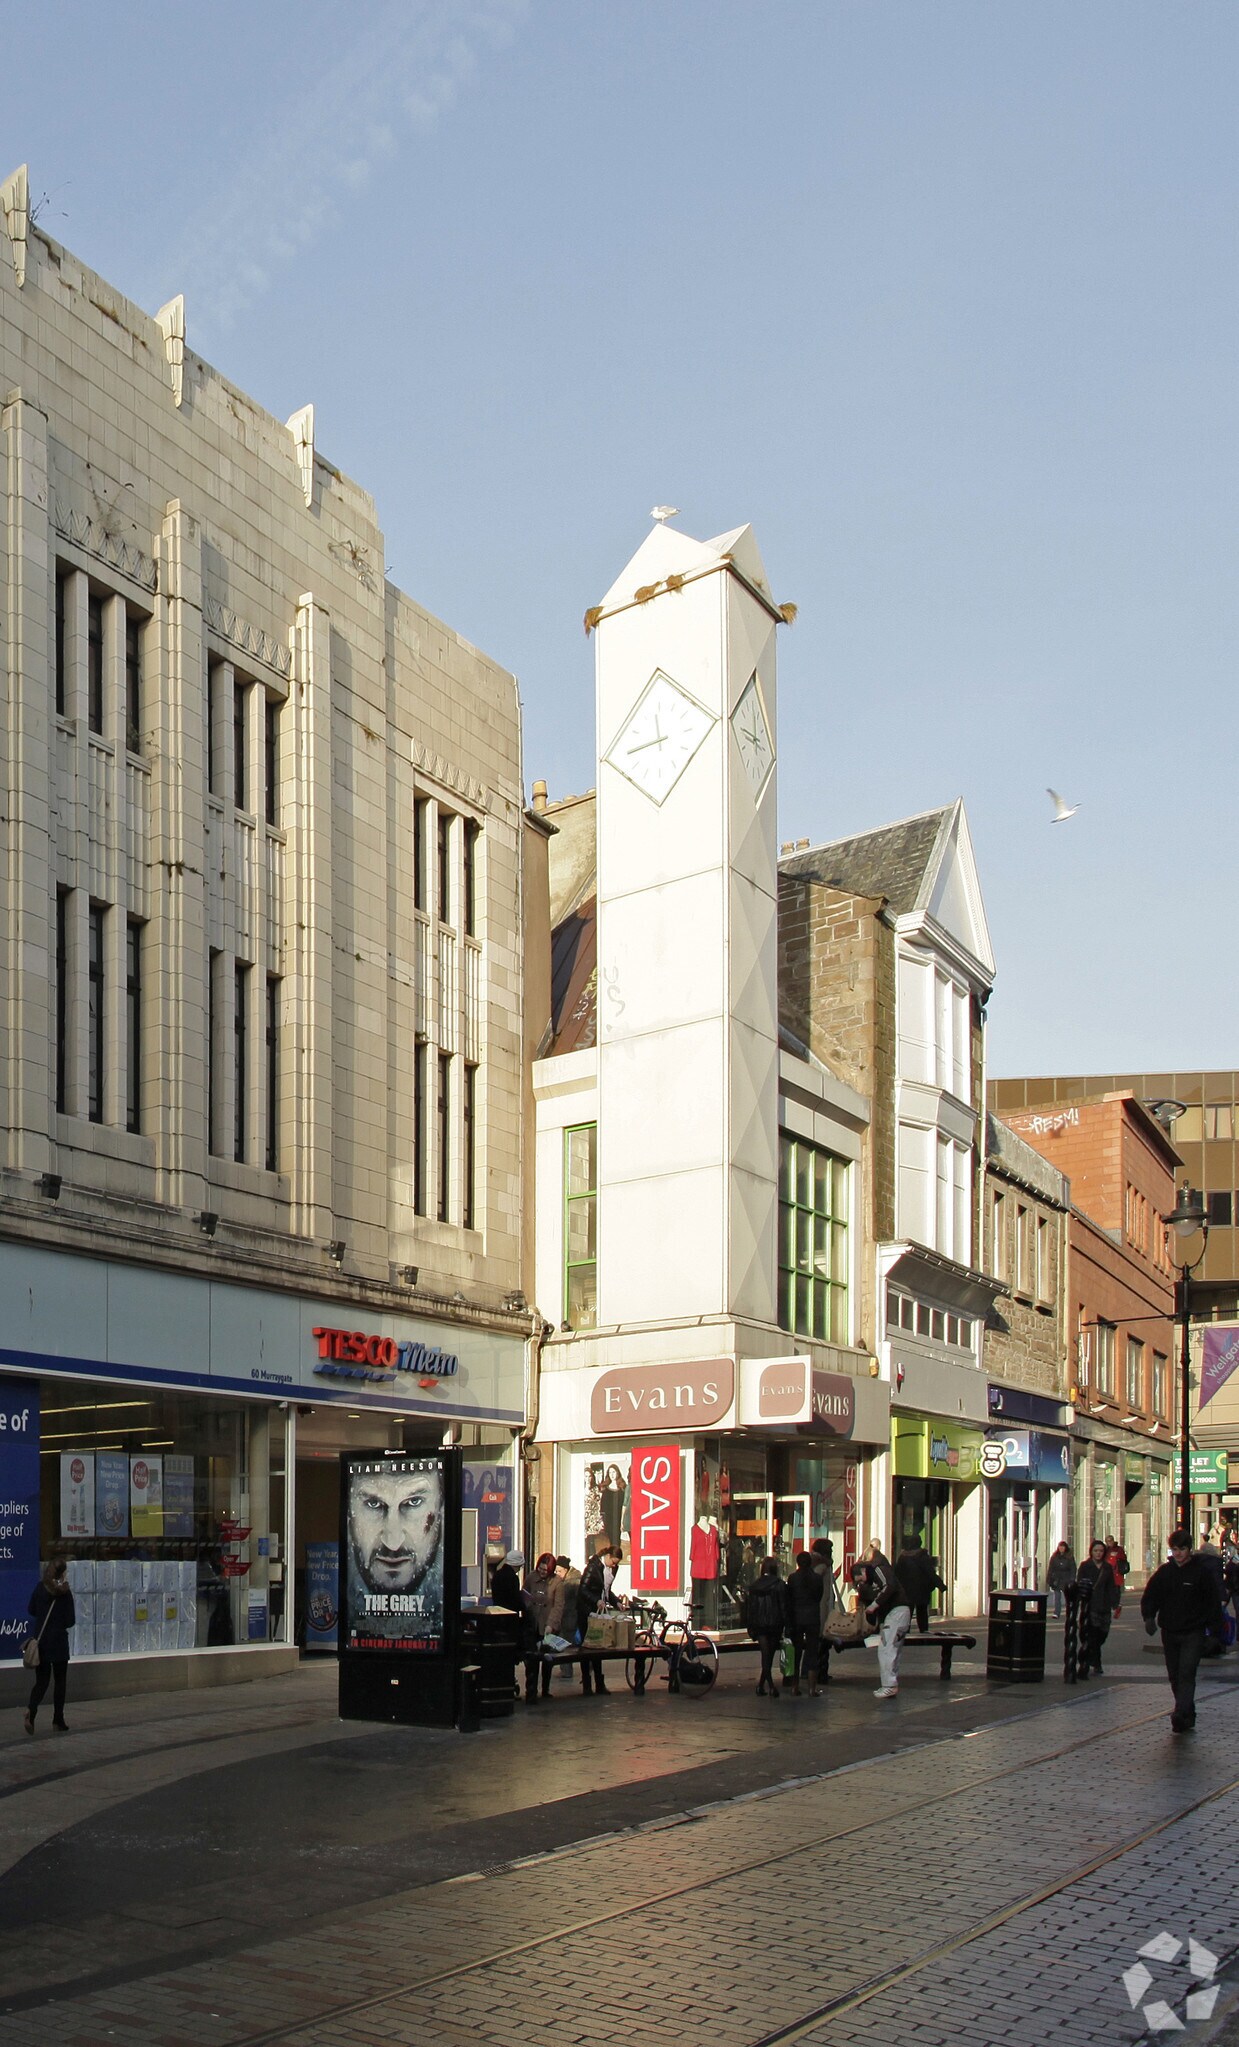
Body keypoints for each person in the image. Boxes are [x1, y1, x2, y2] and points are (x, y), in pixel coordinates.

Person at [1142, 1529, 1224, 1732]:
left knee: (1187, 1672)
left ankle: (1180, 1712)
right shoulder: (1165, 1573)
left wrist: (1214, 1633)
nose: (1178, 1553)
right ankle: (1187, 1712)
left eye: (1182, 1549)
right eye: (1175, 1549)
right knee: (1175, 1674)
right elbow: (1151, 1595)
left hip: (1193, 1631)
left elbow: (1212, 1603)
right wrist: (1149, 1617)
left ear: (1189, 1549)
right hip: (1170, 1631)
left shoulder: (1200, 1573)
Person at [854, 1539, 911, 1699]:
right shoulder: (880, 1571)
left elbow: (889, 1587)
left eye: (860, 1579)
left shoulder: (879, 1569)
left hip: (896, 1613)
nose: (862, 1583)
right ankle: (890, 1683)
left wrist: (874, 1604)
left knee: (886, 1649)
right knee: (892, 1649)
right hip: (899, 1613)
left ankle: (889, 1685)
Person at [23, 1560, 75, 1735]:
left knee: (42, 1681)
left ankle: (31, 1711)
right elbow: (71, 1621)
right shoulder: (65, 1594)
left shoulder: (39, 1588)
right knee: (60, 1682)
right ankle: (58, 1720)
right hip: (59, 1643)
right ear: (62, 1575)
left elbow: (31, 1609)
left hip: (42, 1642)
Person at [576, 1544, 618, 1695]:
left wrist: (616, 1602)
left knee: (598, 1646)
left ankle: (600, 1684)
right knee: (587, 1647)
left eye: (616, 1563)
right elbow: (583, 1589)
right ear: (607, 1557)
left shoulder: (611, 1570)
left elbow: (607, 1591)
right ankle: (587, 1685)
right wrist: (596, 1600)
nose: (615, 1565)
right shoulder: (593, 1567)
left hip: (598, 1612)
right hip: (586, 1612)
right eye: (613, 1562)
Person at [744, 1557, 789, 1698]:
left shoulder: (754, 1586)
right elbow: (783, 1606)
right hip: (775, 1624)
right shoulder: (779, 1585)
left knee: (765, 1654)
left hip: (759, 1624)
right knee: (769, 1656)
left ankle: (762, 1685)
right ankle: (770, 1686)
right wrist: (787, 1624)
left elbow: (750, 1609)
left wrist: (750, 1626)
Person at [1076, 1539, 1119, 1676]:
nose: (1098, 1553)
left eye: (1101, 1551)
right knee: (1093, 1634)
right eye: (1096, 1551)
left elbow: (1112, 1586)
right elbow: (1080, 1584)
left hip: (1105, 1605)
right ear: (1091, 1552)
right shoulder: (1085, 1566)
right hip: (1091, 1605)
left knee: (1103, 1634)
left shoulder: (1107, 1567)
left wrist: (1115, 1603)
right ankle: (1095, 1663)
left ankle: (1090, 1657)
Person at [787, 1550, 824, 1697]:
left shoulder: (793, 1578)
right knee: (812, 1651)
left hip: (797, 1617)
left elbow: (789, 1597)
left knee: (796, 1652)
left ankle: (795, 1686)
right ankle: (812, 1688)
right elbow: (819, 1596)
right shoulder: (816, 1578)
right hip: (812, 1617)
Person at [523, 1553, 559, 1702]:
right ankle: (531, 1691)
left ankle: (545, 1689)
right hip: (532, 1623)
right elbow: (524, 1594)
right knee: (531, 1659)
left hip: (547, 1626)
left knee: (546, 1658)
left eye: (546, 1570)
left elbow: (558, 1606)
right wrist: (527, 1607)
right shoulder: (531, 1577)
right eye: (541, 1569)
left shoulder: (557, 1582)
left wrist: (551, 1624)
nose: (543, 1572)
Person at [896, 1532, 946, 1633]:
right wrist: (941, 1585)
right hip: (921, 1589)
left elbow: (897, 1573)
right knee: (922, 1610)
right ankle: (923, 1629)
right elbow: (930, 1572)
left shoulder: (902, 1557)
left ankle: (906, 1629)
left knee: (908, 1610)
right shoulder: (922, 1556)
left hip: (907, 1589)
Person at [811, 1538, 839, 1685]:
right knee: (823, 1641)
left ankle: (820, 1672)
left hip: (822, 1606)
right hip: (822, 1608)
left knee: (822, 1642)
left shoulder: (818, 1563)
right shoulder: (822, 1566)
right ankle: (821, 1673)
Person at [1046, 1541, 1076, 1620]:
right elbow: (1051, 1568)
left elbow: (1073, 1568)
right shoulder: (1054, 1557)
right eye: (1060, 1547)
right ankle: (1056, 1612)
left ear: (1065, 1548)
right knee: (1057, 1597)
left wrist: (1072, 1579)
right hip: (1057, 1579)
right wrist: (1049, 1579)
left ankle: (1069, 1612)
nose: (1061, 1548)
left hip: (1066, 1578)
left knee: (1068, 1597)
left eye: (1063, 1547)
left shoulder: (1069, 1557)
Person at [489, 1549, 523, 1613]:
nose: (519, 1569)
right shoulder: (513, 1577)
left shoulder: (497, 1574)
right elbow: (515, 1599)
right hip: (510, 1615)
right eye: (519, 1566)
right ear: (516, 1565)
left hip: (497, 1613)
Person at [1104, 1538, 1130, 1615]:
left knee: (1116, 1589)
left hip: (1116, 1572)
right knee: (1108, 1589)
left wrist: (1117, 1556)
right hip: (1108, 1572)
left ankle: (1116, 1604)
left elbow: (1123, 1558)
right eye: (1107, 1541)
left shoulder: (1118, 1549)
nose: (1109, 1543)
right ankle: (1111, 1603)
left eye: (1110, 1541)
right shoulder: (1105, 1550)